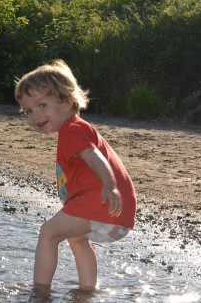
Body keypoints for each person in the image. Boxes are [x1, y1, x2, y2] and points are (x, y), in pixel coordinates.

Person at [14, 60, 137, 291]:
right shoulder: (76, 128)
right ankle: (87, 290)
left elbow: (94, 158)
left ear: (67, 102)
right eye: (28, 111)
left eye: (42, 106)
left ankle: (40, 291)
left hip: (102, 204)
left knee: (48, 233)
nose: (34, 116)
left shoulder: (72, 129)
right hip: (119, 215)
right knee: (77, 238)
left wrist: (109, 186)